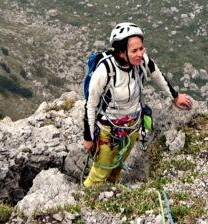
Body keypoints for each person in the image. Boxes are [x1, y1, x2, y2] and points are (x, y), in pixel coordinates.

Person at [82, 22, 193, 187]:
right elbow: (90, 106)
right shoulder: (105, 71)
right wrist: (88, 137)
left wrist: (175, 97)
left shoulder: (142, 62)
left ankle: (110, 192)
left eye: (141, 48)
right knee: (101, 171)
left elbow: (157, 75)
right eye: (134, 50)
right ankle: (86, 199)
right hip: (108, 130)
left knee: (117, 167)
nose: (140, 54)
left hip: (132, 127)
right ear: (121, 52)